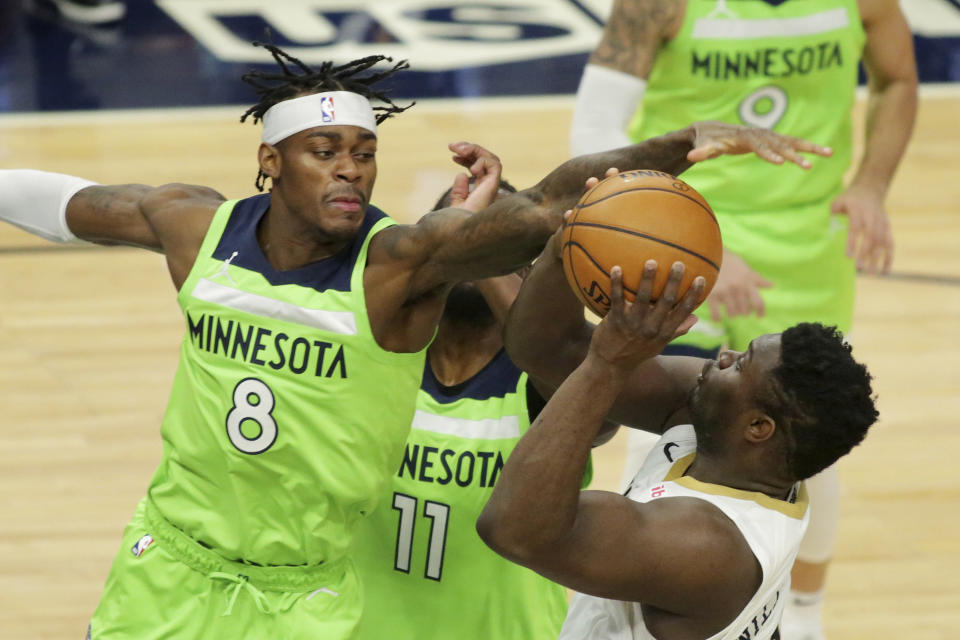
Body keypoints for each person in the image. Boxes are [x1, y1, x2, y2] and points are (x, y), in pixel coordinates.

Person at [0, 39, 827, 638]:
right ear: (271, 162)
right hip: (172, 560)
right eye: (324, 152)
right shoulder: (194, 226)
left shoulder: (398, 263)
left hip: (305, 594)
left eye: (363, 153)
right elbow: (76, 204)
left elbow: (548, 207)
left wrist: (665, 155)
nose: (350, 169)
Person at [569, 2, 917, 635]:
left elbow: (897, 78)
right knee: (656, 433)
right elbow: (594, 123)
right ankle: (620, 609)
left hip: (810, 241)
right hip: (681, 240)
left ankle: (804, 614)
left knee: (800, 442)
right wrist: (688, 243)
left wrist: (871, 183)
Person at [480, 234, 878, 639]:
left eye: (740, 365)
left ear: (758, 428)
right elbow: (554, 350)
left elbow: (514, 529)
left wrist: (608, 362)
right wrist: (566, 239)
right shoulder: (731, 435)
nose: (724, 356)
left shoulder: (707, 547)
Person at [350, 180, 616, 639]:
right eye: (462, 236)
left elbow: (600, 413)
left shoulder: (552, 382)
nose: (479, 247)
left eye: (501, 239)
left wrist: (476, 242)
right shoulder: (372, 357)